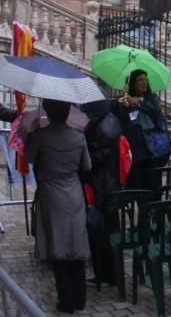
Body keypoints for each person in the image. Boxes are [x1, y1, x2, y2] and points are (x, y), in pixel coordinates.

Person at [25, 99, 92, 313]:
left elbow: (28, 158)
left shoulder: (40, 136)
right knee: (76, 241)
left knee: (57, 244)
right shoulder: (78, 136)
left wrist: (32, 133)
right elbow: (86, 166)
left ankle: (67, 301)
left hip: (51, 193)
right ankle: (80, 298)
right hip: (73, 192)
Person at [79, 99, 124, 288]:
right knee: (107, 229)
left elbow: (94, 160)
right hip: (107, 186)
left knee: (100, 230)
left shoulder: (103, 129)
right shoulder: (109, 121)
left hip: (103, 186)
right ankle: (110, 273)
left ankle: (106, 274)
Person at [114, 70, 170, 192]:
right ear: (133, 83)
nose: (144, 82)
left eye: (145, 79)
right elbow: (123, 122)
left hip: (152, 149)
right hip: (136, 150)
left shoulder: (152, 98)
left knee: (154, 187)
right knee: (138, 188)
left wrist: (138, 103)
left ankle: (155, 210)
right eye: (140, 79)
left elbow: (156, 113)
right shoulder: (126, 100)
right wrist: (122, 105)